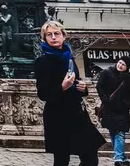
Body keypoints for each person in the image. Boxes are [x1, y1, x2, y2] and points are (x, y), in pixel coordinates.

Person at [34, 20, 104, 166]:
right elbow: (43, 93)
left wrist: (82, 87)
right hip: (57, 115)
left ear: (63, 36)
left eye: (57, 34)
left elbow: (76, 81)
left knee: (90, 154)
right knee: (61, 159)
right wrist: (62, 87)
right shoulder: (42, 61)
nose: (53, 37)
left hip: (77, 113)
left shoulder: (69, 57)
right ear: (45, 38)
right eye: (49, 34)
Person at [96, 56, 130, 166]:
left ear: (126, 68)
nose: (120, 65)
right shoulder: (107, 72)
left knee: (119, 133)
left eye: (123, 65)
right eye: (120, 62)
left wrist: (127, 104)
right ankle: (120, 157)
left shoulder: (128, 78)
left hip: (121, 110)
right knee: (113, 132)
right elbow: (99, 86)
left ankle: (119, 158)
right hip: (109, 108)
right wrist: (105, 99)